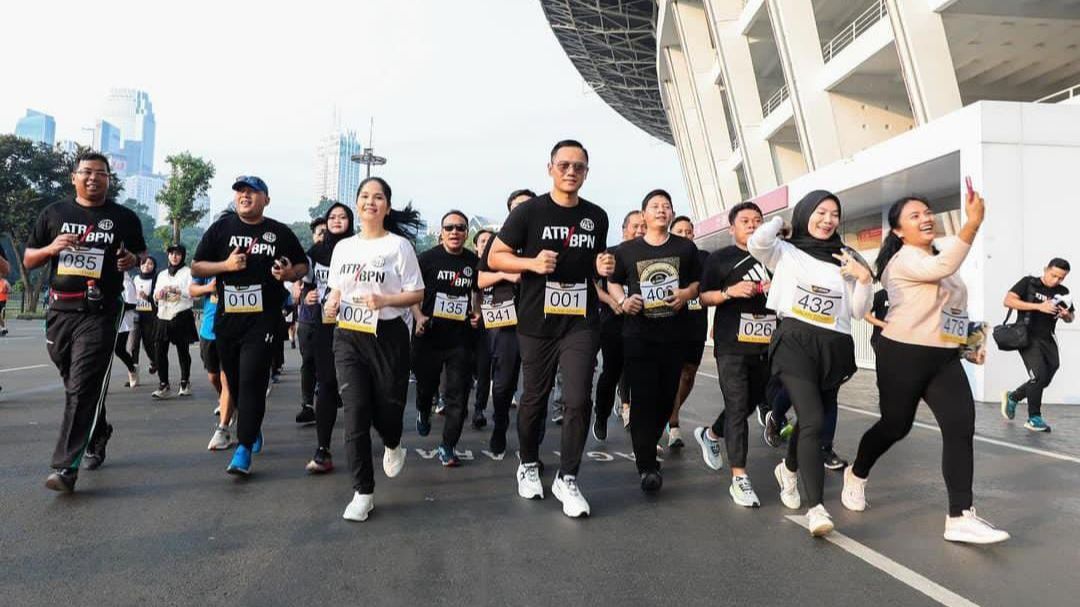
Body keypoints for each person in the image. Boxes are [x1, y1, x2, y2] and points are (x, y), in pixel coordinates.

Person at [843, 190, 1010, 544]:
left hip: (943, 359)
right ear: (899, 231)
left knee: (961, 427)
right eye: (915, 215)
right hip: (903, 354)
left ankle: (960, 516)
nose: (926, 218)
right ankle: (856, 474)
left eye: (928, 212)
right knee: (895, 426)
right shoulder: (902, 261)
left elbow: (952, 308)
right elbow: (942, 267)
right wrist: (973, 222)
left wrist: (969, 344)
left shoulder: (940, 259)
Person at [487, 139, 611, 518]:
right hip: (536, 321)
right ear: (550, 169)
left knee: (577, 399)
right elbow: (495, 255)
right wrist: (531, 263)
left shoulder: (597, 216)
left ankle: (568, 477)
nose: (571, 171)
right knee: (534, 399)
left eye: (579, 166)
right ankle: (527, 463)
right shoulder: (529, 212)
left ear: (587, 172)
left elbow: (595, 264)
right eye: (564, 165)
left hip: (580, 321)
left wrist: (603, 268)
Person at [748, 190, 872, 536]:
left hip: (833, 347)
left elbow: (860, 311)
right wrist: (778, 223)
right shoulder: (784, 250)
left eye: (834, 214)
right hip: (795, 342)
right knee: (814, 419)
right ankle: (815, 508)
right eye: (820, 212)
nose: (828, 219)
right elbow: (756, 243)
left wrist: (863, 279)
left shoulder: (847, 257)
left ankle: (788, 469)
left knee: (810, 421)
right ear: (804, 213)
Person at [23, 150, 147, 492]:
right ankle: (99, 429)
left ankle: (66, 468)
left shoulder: (123, 218)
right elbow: (30, 258)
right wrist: (52, 248)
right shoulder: (54, 213)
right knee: (75, 381)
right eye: (87, 172)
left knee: (81, 385)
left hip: (101, 311)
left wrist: (130, 259)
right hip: (60, 311)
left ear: (110, 179)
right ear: (74, 177)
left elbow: (141, 256)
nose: (94, 178)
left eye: (101, 173)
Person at [322, 176, 424, 521]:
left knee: (388, 412)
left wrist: (384, 300)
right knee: (355, 412)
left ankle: (393, 443)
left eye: (378, 197)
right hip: (349, 335)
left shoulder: (399, 247)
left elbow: (416, 294)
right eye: (364, 196)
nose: (370, 202)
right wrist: (330, 304)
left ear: (387, 206)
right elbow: (335, 290)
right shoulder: (343, 248)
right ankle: (362, 492)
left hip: (389, 335)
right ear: (357, 203)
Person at [191, 175, 308, 477]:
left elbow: (301, 267)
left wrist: (288, 273)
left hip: (263, 318)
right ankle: (251, 427)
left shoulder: (279, 232)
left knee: (253, 378)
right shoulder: (221, 228)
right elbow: (197, 266)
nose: (245, 196)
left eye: (252, 192)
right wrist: (225, 267)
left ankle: (243, 448)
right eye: (240, 192)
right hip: (228, 317)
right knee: (235, 379)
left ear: (265, 199)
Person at [607, 189, 700, 492]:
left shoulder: (686, 248)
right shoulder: (627, 250)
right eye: (655, 206)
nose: (662, 210)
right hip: (638, 335)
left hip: (674, 336)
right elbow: (613, 282)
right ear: (644, 214)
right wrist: (623, 301)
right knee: (644, 399)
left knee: (665, 399)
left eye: (667, 206)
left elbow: (698, 282)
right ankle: (646, 465)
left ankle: (649, 443)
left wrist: (686, 294)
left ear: (671, 213)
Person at [694, 201, 773, 507]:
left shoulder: (776, 257)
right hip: (732, 344)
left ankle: (712, 434)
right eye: (745, 221)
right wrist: (730, 293)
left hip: (767, 342)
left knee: (751, 402)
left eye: (757, 220)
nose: (752, 225)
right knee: (738, 405)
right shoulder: (720, 259)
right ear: (732, 228)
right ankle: (740, 478)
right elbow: (702, 297)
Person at [412, 210, 480, 467]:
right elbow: (412, 292)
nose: (455, 232)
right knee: (425, 387)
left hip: (460, 339)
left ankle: (448, 446)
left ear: (465, 233)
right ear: (441, 232)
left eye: (460, 228)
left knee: (458, 396)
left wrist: (477, 312)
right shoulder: (426, 259)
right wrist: (418, 317)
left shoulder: (473, 262)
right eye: (449, 228)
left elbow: (478, 292)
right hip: (428, 335)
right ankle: (422, 410)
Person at [476, 188, 535, 458]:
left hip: (539, 320)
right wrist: (505, 274)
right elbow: (480, 281)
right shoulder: (497, 242)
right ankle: (500, 425)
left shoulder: (544, 240)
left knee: (536, 387)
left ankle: (530, 446)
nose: (522, 210)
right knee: (502, 384)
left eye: (527, 205)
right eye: (516, 206)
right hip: (505, 319)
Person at [302, 201, 355, 473]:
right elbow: (307, 284)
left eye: (342, 216)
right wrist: (305, 295)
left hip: (361, 325)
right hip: (327, 324)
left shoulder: (361, 247)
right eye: (332, 217)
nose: (336, 220)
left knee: (362, 386)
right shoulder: (316, 252)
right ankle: (323, 449)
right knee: (326, 384)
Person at [1001, 258, 1074, 432]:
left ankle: (1013, 397)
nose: (1056, 280)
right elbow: (1008, 301)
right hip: (1027, 336)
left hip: (1048, 338)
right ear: (1045, 269)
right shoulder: (1029, 283)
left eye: (1061, 278)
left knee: (1046, 378)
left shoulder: (1063, 292)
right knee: (1039, 376)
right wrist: (1038, 307)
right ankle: (1034, 418)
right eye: (1053, 275)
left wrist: (1065, 315)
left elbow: (1071, 317)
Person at [592, 210, 645, 442]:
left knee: (641, 374)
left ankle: (640, 424)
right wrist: (611, 300)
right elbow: (591, 282)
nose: (640, 230)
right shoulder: (610, 254)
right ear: (624, 229)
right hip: (613, 322)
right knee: (611, 372)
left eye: (644, 226)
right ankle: (601, 415)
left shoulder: (649, 254)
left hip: (644, 324)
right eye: (635, 226)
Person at [667, 215, 709, 450]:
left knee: (688, 374)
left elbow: (712, 284)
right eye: (680, 231)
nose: (685, 235)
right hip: (670, 324)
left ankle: (671, 413)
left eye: (689, 231)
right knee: (670, 374)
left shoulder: (705, 258)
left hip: (696, 323)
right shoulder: (667, 258)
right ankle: (673, 423)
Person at [190, 272, 234, 450]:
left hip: (231, 329)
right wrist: (209, 288)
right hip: (208, 330)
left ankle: (223, 428)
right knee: (213, 377)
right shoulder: (207, 265)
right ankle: (228, 403)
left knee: (226, 379)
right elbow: (192, 290)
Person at [293, 217, 329, 425]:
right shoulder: (308, 257)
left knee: (331, 363)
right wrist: (301, 292)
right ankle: (307, 404)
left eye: (327, 232)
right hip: (310, 318)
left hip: (337, 320)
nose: (323, 236)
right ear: (313, 236)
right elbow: (297, 277)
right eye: (319, 233)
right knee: (308, 361)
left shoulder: (343, 255)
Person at [152, 244, 197, 399]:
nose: (174, 257)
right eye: (172, 254)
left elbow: (194, 294)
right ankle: (164, 384)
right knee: (159, 351)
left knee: (182, 351)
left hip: (181, 314)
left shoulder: (189, 273)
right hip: (163, 314)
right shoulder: (162, 274)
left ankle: (185, 382)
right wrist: (158, 295)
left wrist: (179, 291)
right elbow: (155, 294)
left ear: (183, 256)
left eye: (178, 254)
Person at [471, 228, 496, 431]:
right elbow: (476, 292)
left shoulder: (501, 264)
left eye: (490, 241)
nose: (486, 244)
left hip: (501, 325)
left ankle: (492, 409)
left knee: (496, 371)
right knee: (480, 370)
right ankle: (477, 408)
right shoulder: (470, 265)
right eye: (483, 241)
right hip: (476, 325)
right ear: (476, 245)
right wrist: (476, 311)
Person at [130, 256, 159, 376]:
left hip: (150, 317)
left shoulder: (156, 280)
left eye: (150, 264)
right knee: (133, 345)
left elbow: (158, 299)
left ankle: (154, 361)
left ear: (154, 266)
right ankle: (133, 374)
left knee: (148, 345)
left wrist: (147, 297)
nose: (146, 266)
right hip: (136, 316)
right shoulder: (135, 278)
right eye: (144, 263)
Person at [113, 272, 140, 387]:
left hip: (123, 321)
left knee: (118, 349)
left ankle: (132, 369)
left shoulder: (126, 283)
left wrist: (115, 304)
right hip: (109, 320)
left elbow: (132, 304)